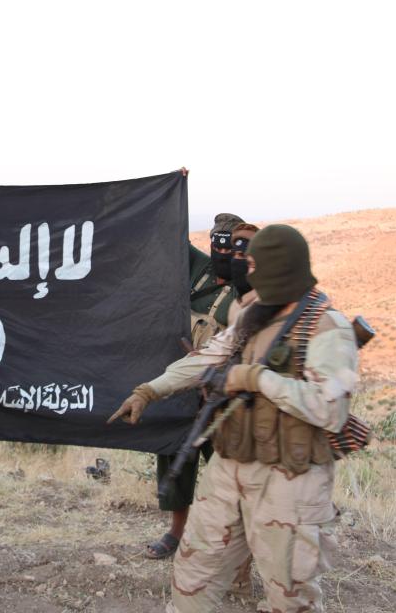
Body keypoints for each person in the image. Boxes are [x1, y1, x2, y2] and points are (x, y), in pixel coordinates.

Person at [110, 224, 359, 613]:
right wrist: (150, 390)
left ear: (280, 266)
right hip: (230, 466)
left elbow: (329, 410)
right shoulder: (251, 311)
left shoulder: (327, 327)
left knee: (290, 594)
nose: (247, 270)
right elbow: (206, 359)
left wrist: (257, 378)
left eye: (255, 263)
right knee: (194, 575)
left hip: (289, 482)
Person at [145, 212, 245, 560]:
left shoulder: (246, 289)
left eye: (228, 248)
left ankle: (229, 542)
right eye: (215, 245)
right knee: (174, 456)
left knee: (227, 467)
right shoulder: (198, 268)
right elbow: (170, 237)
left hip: (222, 393)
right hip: (181, 383)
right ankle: (178, 531)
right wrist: (173, 188)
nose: (220, 255)